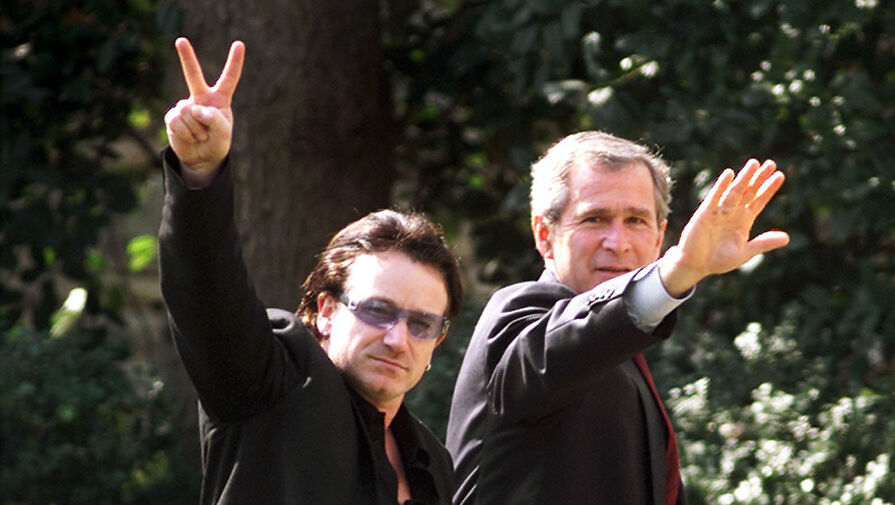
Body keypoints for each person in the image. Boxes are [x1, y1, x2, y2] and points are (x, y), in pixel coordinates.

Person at [158, 37, 462, 505]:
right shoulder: (272, 383)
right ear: (326, 311)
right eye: (378, 311)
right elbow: (206, 294)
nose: (397, 339)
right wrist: (200, 174)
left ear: (437, 343)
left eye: (421, 324)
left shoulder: (431, 461)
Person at [445, 131, 790, 505]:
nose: (618, 243)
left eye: (636, 220)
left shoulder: (623, 353)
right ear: (544, 234)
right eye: (594, 219)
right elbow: (565, 348)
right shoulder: (518, 318)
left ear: (658, 237)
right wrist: (676, 273)